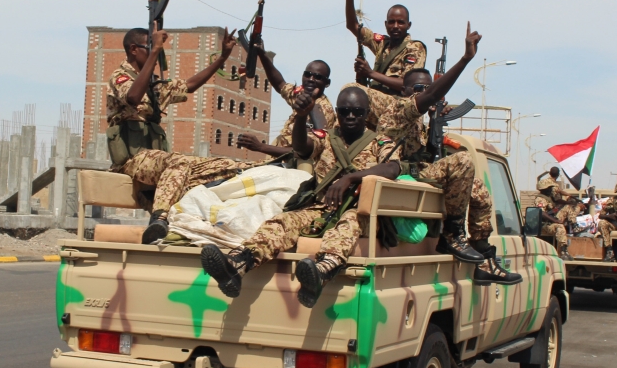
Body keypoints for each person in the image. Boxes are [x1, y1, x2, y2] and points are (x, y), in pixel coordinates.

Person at [347, 25, 522, 285]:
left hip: (417, 171)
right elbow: (431, 96)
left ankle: (485, 257)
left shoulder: (419, 120)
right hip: (398, 172)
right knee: (463, 160)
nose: (423, 92)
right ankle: (452, 235)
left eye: (426, 88)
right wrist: (465, 59)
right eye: (418, 88)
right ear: (404, 91)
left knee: (479, 191)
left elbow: (427, 152)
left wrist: (434, 124)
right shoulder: (398, 109)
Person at [200, 87, 402, 308]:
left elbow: (392, 168)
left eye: (357, 112)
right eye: (345, 111)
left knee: (349, 224)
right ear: (337, 112)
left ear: (367, 113)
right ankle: (238, 264)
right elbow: (301, 148)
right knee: (283, 222)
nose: (351, 116)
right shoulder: (326, 138)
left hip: (359, 210)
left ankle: (322, 272)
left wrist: (350, 178)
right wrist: (301, 116)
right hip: (322, 207)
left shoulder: (381, 142)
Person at [106, 25, 248, 243]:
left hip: (156, 162)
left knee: (224, 166)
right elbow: (133, 97)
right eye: (151, 47)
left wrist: (222, 58)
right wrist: (155, 52)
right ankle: (159, 218)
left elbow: (189, 85)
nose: (157, 53)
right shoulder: (120, 77)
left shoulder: (153, 85)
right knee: (179, 161)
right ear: (134, 49)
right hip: (132, 161)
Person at [236, 43, 337, 157]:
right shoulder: (302, 95)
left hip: (296, 165)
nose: (311, 79)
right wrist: (263, 55)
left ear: (327, 83)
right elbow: (280, 84)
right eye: (307, 74)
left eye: (318, 77)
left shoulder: (322, 110)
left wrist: (260, 147)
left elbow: (303, 152)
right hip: (279, 161)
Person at [345, 0, 427, 98]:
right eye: (391, 22)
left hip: (396, 103)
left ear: (409, 25)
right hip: (376, 97)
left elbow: (409, 85)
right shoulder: (382, 43)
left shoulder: (415, 47)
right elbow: (352, 26)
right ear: (385, 24)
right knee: (349, 92)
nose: (395, 26)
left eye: (400, 22)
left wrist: (370, 73)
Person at [534, 177, 573, 260]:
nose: (552, 190)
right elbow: (541, 213)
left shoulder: (550, 197)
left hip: (551, 221)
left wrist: (568, 202)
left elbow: (558, 202)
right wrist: (556, 221)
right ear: (545, 189)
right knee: (559, 227)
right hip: (545, 225)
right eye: (550, 188)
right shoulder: (540, 199)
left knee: (568, 207)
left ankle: (573, 225)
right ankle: (563, 251)